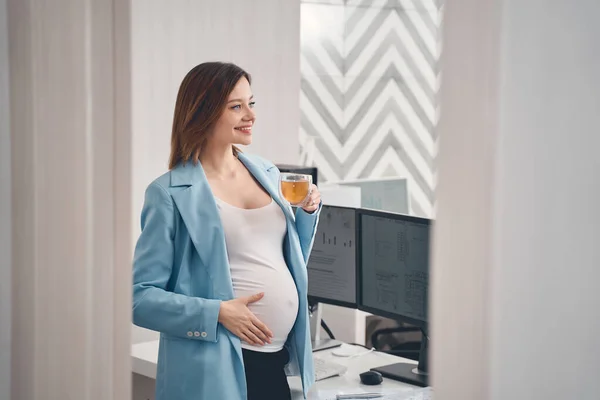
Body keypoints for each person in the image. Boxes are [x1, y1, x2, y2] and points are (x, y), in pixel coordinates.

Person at [132, 61, 322, 400]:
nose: (250, 115)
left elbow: (285, 257)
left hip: (275, 363)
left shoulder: (265, 170)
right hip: (217, 368)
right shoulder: (168, 194)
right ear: (203, 113)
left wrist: (307, 212)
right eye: (236, 106)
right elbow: (140, 299)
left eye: (252, 103)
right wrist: (217, 312)